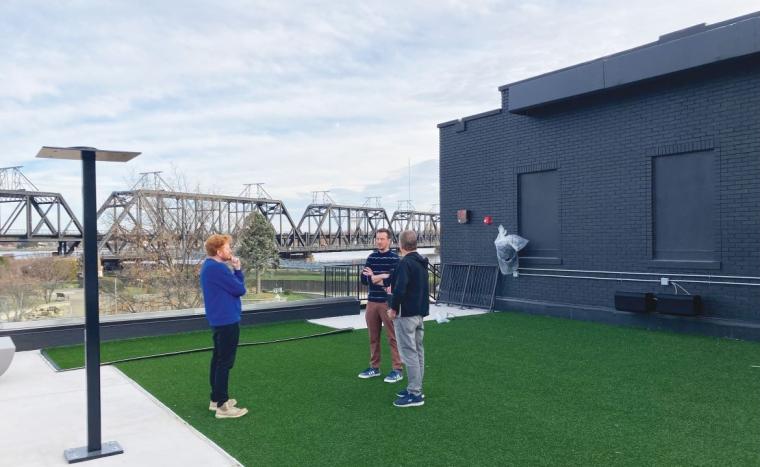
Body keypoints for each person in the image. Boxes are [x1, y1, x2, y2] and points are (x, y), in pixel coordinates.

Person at [200, 234, 249, 419]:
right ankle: (222, 406)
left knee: (218, 359)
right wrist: (238, 270)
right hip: (227, 320)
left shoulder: (209, 266)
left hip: (219, 319)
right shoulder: (218, 269)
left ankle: (215, 400)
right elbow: (240, 289)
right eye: (228, 247)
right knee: (224, 362)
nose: (230, 250)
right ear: (219, 251)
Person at [388, 230, 429, 407]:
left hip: (405, 315)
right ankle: (416, 387)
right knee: (418, 351)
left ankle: (415, 394)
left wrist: (393, 308)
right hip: (419, 314)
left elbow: (400, 289)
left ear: (400, 244)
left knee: (409, 353)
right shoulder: (421, 262)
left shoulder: (405, 263)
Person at [358, 228, 403, 383]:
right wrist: (382, 276)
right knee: (373, 337)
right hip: (372, 302)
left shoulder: (395, 259)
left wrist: (375, 276)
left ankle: (397, 369)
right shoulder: (371, 257)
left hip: (387, 302)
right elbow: (364, 280)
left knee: (392, 337)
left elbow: (393, 280)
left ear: (389, 240)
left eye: (382, 239)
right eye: (377, 238)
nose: (379, 241)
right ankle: (374, 367)